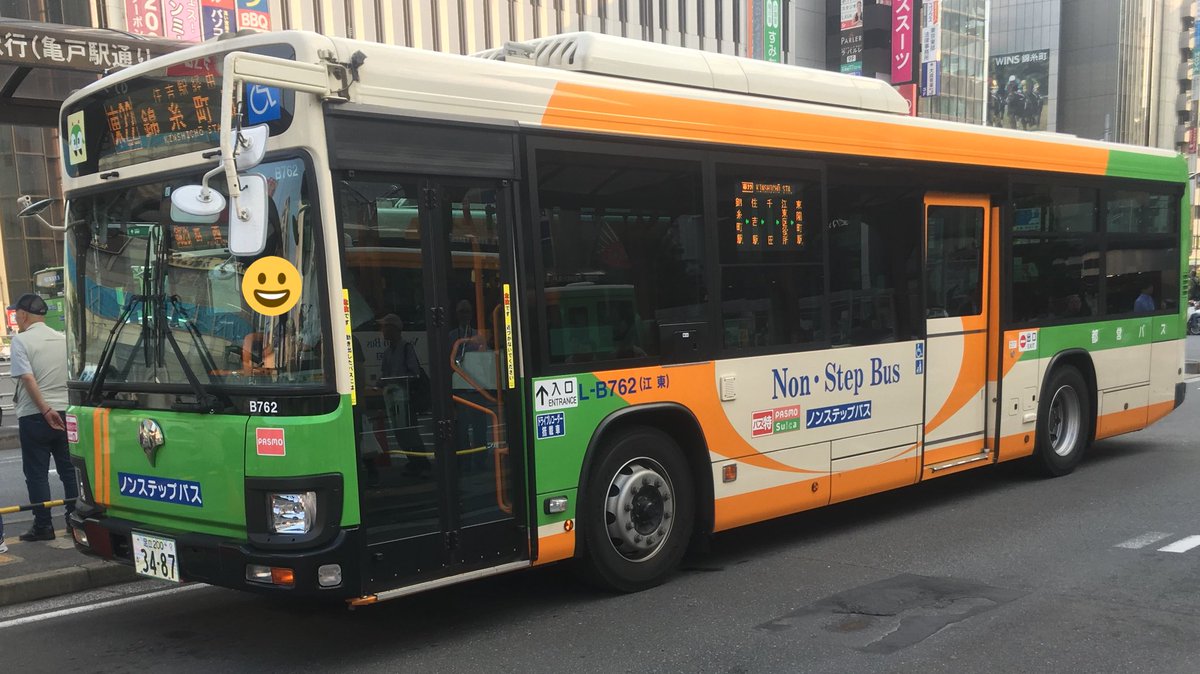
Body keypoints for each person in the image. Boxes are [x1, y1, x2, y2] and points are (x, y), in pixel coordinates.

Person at [8, 293, 76, 542]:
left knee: (36, 473)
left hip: (36, 415)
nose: (16, 318)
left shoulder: (21, 341)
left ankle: (44, 525)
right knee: (69, 470)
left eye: (16, 313)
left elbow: (27, 377)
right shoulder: (63, 339)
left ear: (24, 314)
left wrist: (45, 410)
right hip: (66, 412)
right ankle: (73, 521)